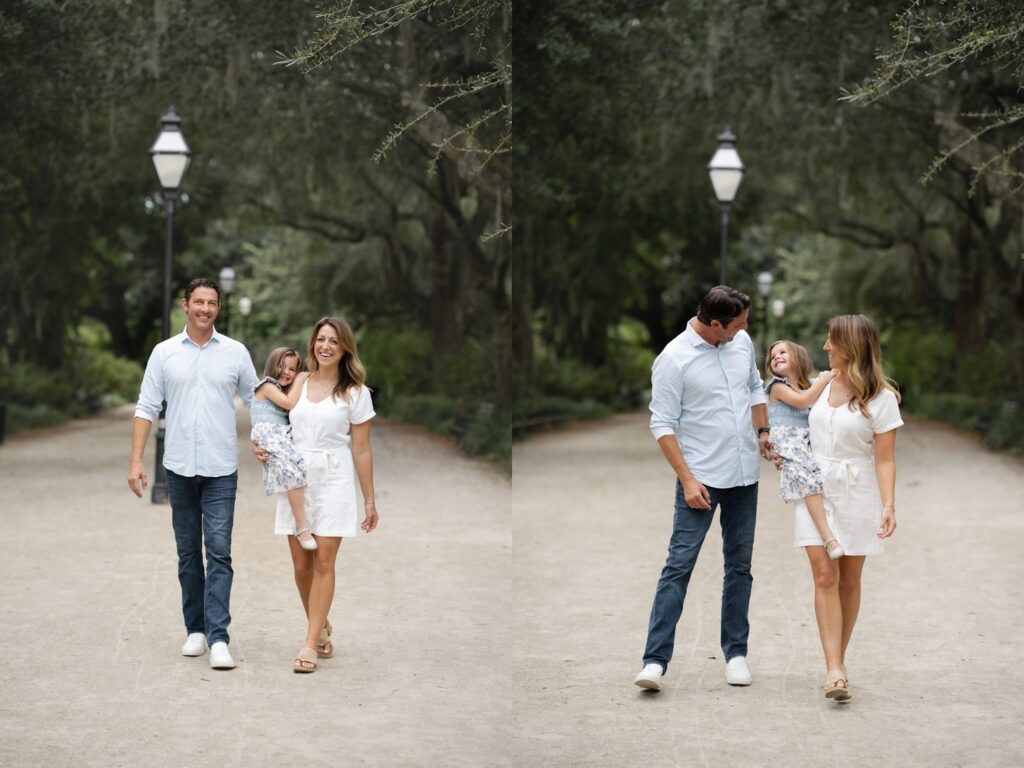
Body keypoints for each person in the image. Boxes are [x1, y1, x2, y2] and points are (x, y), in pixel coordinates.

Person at [634, 285, 774, 692]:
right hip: (701, 481)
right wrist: (687, 479)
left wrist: (762, 430)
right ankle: (655, 662)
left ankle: (736, 654)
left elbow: (753, 387)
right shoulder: (673, 360)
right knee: (679, 566)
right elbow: (662, 423)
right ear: (716, 324)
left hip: (745, 475)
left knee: (740, 567)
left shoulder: (741, 342)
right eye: (740, 322)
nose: (746, 328)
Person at [127, 277, 260, 670]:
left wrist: (270, 441)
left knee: (218, 552)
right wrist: (136, 460)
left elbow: (258, 400)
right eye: (199, 302)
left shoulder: (235, 353)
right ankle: (196, 631)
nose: (205, 308)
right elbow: (146, 406)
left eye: (213, 303)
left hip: (221, 468)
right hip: (180, 468)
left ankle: (219, 638)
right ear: (185, 305)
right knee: (188, 554)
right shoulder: (164, 353)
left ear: (219, 308)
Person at [257, 316, 379, 673]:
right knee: (301, 565)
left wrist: (369, 500)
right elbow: (274, 423)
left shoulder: (356, 392)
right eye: (321, 339)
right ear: (313, 344)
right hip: (296, 478)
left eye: (334, 341)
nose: (326, 346)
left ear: (344, 349)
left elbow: (362, 450)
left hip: (335, 479)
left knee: (324, 562)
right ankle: (321, 624)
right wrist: (260, 448)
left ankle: (310, 643)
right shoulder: (299, 381)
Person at [796, 315, 902, 702]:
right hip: (814, 489)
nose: (825, 348)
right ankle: (834, 669)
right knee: (824, 574)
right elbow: (790, 423)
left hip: (858, 490)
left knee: (850, 579)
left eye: (832, 342)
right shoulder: (817, 386)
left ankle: (838, 660)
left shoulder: (882, 398)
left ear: (852, 347)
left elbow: (885, 459)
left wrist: (888, 504)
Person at [764, 340, 840, 558]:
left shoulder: (809, 385)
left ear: (798, 357)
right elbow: (801, 401)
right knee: (810, 486)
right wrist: (824, 379)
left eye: (782, 352)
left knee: (816, 482)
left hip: (806, 445)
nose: (776, 356)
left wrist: (828, 378)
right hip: (790, 446)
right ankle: (828, 538)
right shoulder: (777, 386)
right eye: (772, 355)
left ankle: (832, 533)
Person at [251, 347, 316, 551]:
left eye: (293, 369)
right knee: (293, 474)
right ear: (272, 365)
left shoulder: (282, 389)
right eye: (282, 366)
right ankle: (301, 526)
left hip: (279, 435)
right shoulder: (267, 386)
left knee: (298, 469)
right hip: (269, 434)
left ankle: (303, 521)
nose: (287, 372)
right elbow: (288, 404)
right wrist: (301, 379)